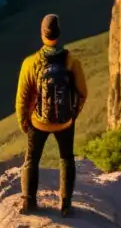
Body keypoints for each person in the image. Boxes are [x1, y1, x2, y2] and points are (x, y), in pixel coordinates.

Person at [15, 13, 88, 217]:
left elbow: (21, 99)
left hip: (38, 122)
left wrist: (24, 123)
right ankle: (65, 205)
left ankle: (29, 202)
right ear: (59, 34)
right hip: (65, 123)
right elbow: (83, 93)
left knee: (31, 159)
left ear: (42, 35)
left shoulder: (30, 63)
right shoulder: (72, 62)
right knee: (66, 159)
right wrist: (72, 114)